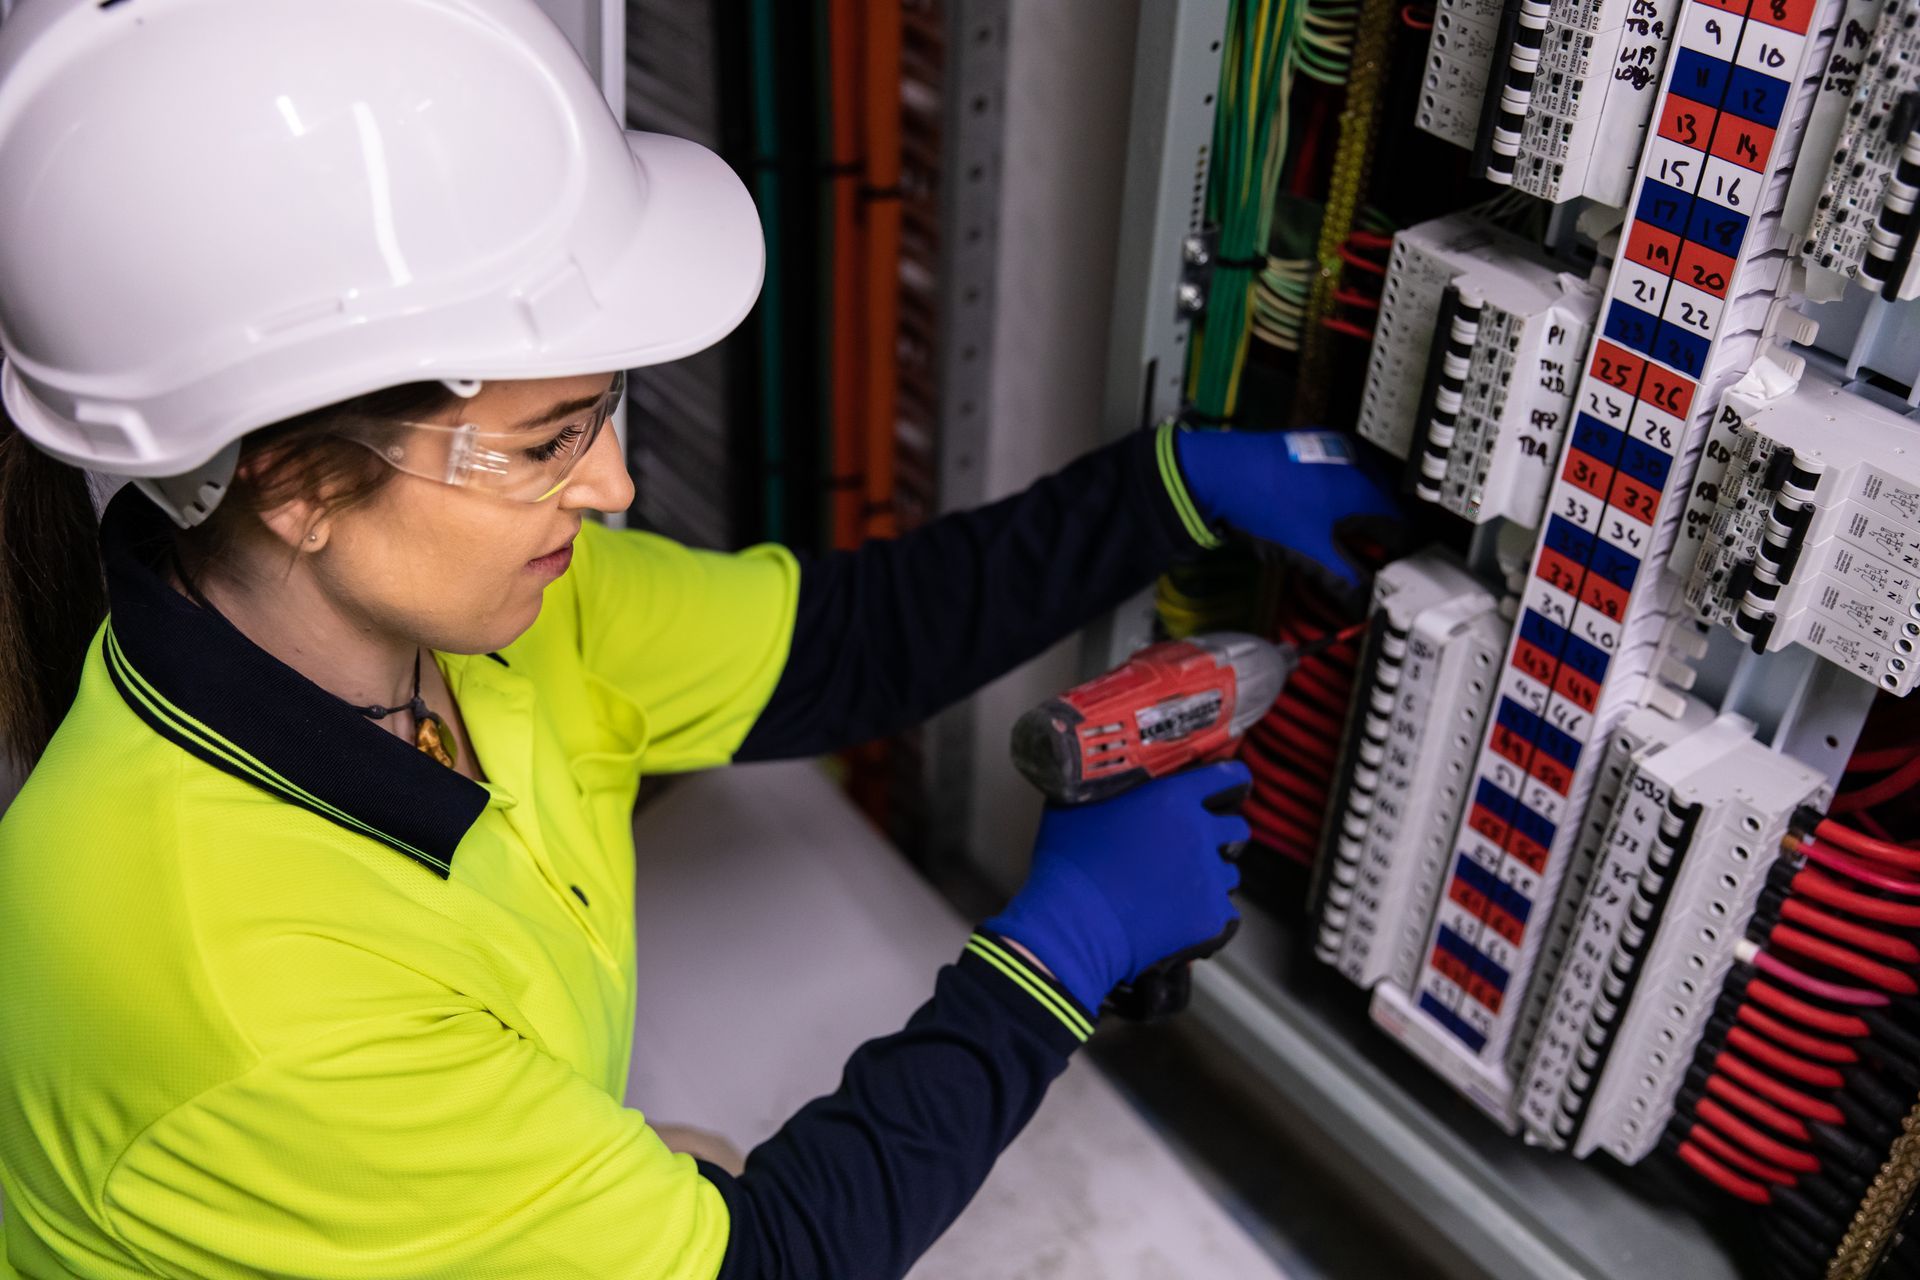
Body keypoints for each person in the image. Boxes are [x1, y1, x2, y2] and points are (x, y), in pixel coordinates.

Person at [0, 1, 1398, 1277]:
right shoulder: (246, 995)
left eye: (598, 416)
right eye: (549, 442)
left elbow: (845, 645)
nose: (608, 485)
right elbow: (776, 1264)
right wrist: (1060, 949)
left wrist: (1163, 492)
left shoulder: (476, 615)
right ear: (299, 487)